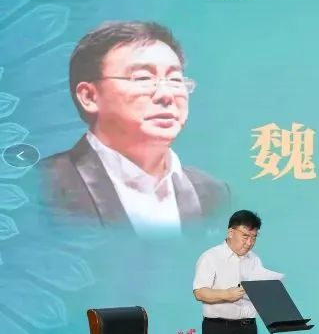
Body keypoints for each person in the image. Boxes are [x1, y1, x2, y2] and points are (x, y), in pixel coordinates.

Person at [41, 20, 228, 237]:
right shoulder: (41, 187)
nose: (166, 94)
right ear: (90, 96)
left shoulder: (214, 193)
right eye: (143, 78)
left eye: (175, 80)